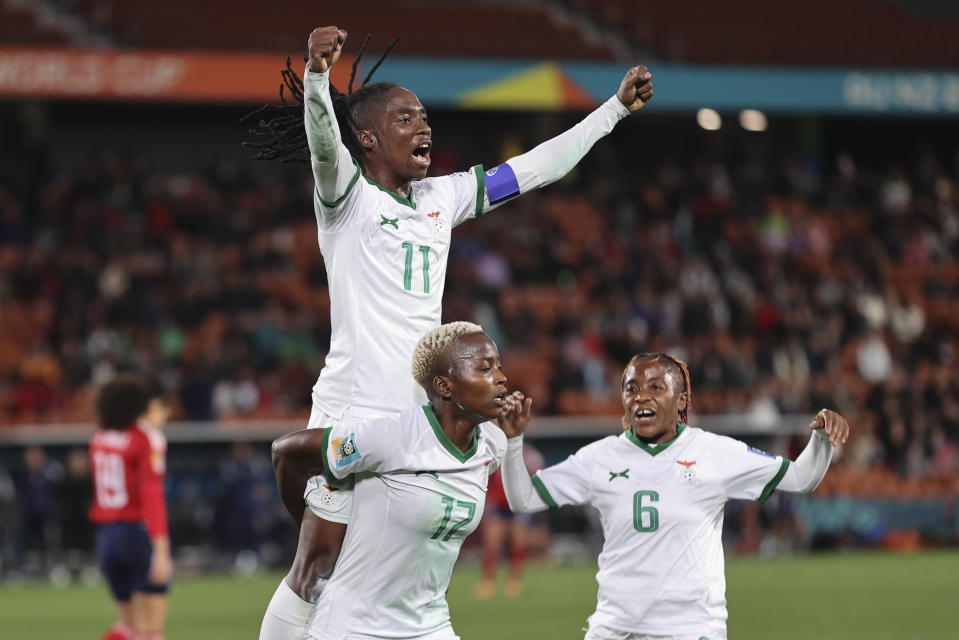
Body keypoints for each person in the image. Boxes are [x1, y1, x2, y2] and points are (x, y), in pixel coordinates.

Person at [253, 25, 654, 640]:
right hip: (356, 404)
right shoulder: (345, 198)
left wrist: (611, 112)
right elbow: (323, 147)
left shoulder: (443, 197)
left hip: (426, 408)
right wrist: (314, 77)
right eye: (405, 117)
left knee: (411, 571)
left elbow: (534, 169)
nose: (423, 126)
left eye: (424, 115)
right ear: (367, 137)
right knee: (316, 566)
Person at [498, 353, 850, 640]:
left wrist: (821, 441)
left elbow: (801, 479)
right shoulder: (600, 457)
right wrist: (513, 443)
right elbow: (523, 499)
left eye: (655, 387)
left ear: (681, 399)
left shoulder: (712, 451)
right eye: (631, 388)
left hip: (688, 629)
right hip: (613, 628)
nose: (641, 397)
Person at [270, 322, 531, 639]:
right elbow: (286, 453)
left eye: (499, 366)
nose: (501, 377)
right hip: (355, 627)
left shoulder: (492, 445)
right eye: (484, 368)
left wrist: (514, 438)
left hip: (431, 625)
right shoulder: (391, 436)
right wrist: (306, 523)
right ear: (444, 386)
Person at [88, 375, 173, 640]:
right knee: (150, 632)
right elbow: (152, 496)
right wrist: (161, 549)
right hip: (136, 533)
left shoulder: (99, 439)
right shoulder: (145, 439)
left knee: (127, 627)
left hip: (106, 535)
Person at [475, 442, 545, 599]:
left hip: (519, 505)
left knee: (519, 540)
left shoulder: (531, 456)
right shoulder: (496, 453)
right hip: (498, 504)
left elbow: (539, 478)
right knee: (492, 540)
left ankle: (514, 580)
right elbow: (485, 477)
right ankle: (488, 580)